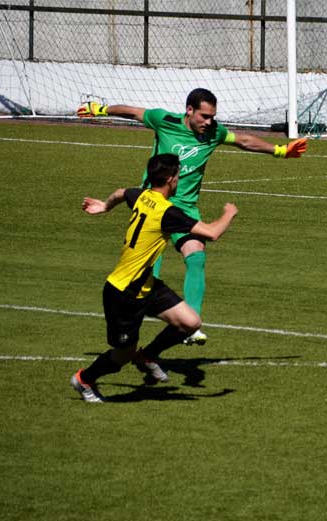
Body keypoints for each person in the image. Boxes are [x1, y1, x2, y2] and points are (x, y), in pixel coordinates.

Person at [77, 88, 307, 351]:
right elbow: (132, 112)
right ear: (189, 110)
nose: (209, 122)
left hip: (185, 208)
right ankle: (139, 313)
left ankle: (191, 328)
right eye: (204, 116)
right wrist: (100, 110)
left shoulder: (213, 133)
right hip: (155, 204)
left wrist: (280, 150)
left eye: (212, 117)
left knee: (196, 255)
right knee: (150, 264)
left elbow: (243, 140)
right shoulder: (164, 120)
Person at [70, 153, 237, 403]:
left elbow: (120, 192)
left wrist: (104, 206)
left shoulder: (140, 196)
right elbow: (212, 233)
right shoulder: (167, 212)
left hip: (146, 284)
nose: (179, 180)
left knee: (191, 323)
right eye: (178, 176)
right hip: (123, 293)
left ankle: (147, 356)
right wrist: (229, 213)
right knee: (121, 355)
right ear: (170, 179)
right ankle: (85, 379)